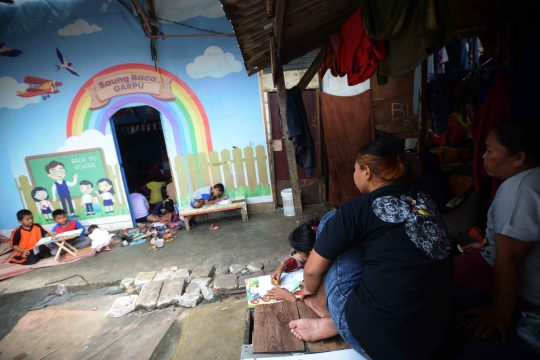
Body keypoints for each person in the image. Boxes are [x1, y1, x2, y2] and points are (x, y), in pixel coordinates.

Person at [288, 137, 453, 359]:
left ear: (366, 171)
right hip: (434, 336)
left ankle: (328, 314)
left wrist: (308, 288)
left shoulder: (357, 209)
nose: (354, 174)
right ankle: (336, 319)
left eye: (355, 169)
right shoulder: (425, 200)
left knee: (331, 219)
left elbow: (312, 270)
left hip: (378, 341)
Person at [455, 120, 540, 343]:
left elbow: (510, 256)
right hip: (505, 261)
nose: (483, 156)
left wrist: (499, 313)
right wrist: (487, 245)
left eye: (490, 150)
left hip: (527, 291)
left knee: (432, 280)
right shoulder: (532, 180)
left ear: (519, 158)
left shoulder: (518, 188)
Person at [267, 217, 335, 304]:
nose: (298, 254)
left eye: (299, 251)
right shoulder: (322, 250)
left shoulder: (329, 274)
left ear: (311, 253)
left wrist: (291, 299)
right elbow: (299, 258)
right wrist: (282, 267)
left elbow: (324, 311)